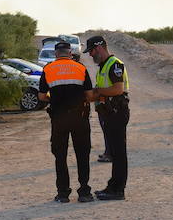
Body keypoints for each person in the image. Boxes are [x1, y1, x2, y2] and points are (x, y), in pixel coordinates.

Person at [39, 40, 95, 203]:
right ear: (70, 53)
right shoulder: (80, 68)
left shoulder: (48, 69)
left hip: (59, 118)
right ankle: (84, 192)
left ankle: (63, 193)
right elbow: (90, 95)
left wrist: (54, 99)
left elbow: (42, 96)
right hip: (80, 118)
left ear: (56, 54)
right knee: (82, 155)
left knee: (60, 156)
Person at [86, 35, 129, 201]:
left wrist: (97, 92)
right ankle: (112, 185)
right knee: (113, 152)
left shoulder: (115, 64)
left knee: (118, 153)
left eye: (91, 51)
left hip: (117, 112)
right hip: (108, 113)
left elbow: (118, 89)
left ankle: (118, 190)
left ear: (99, 48)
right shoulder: (104, 66)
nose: (90, 55)